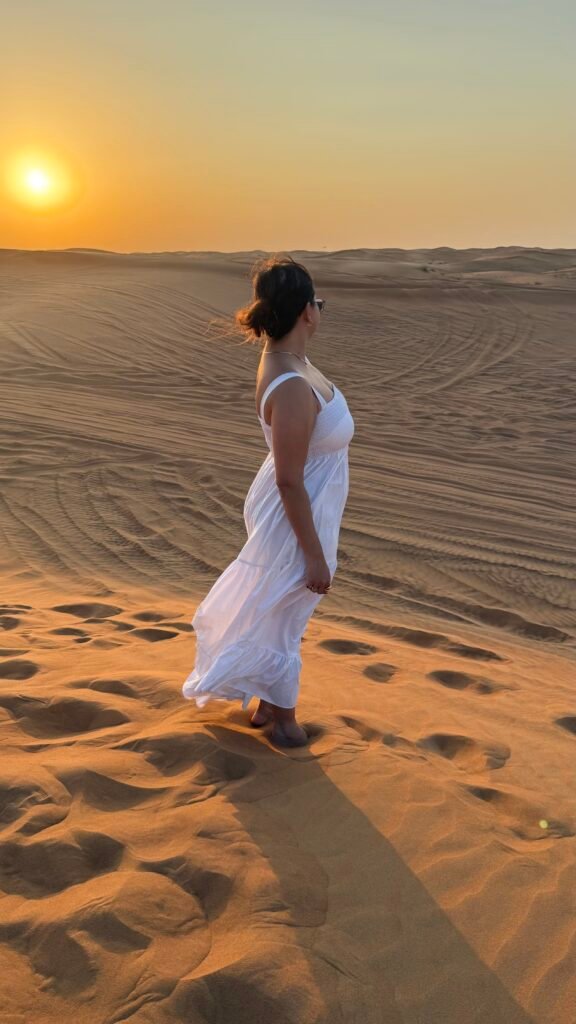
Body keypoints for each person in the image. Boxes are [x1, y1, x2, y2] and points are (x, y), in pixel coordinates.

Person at [182, 255, 355, 747]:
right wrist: (314, 554)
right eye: (318, 302)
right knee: (285, 613)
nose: (320, 310)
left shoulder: (291, 363)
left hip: (306, 504)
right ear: (305, 311)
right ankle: (283, 722)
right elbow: (289, 480)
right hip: (295, 510)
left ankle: (266, 705)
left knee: (280, 609)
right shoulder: (292, 383)